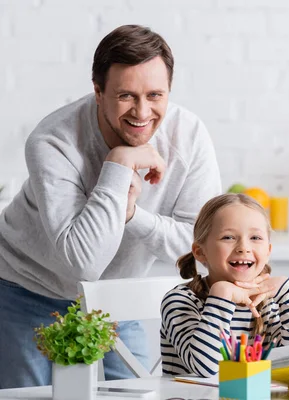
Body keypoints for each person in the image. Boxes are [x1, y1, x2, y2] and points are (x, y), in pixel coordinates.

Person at [0, 25, 221, 388]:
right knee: (30, 397)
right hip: (28, 289)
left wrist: (132, 214)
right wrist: (118, 164)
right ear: (98, 92)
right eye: (126, 96)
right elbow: (82, 262)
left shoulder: (189, 137)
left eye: (155, 95)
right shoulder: (52, 141)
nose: (142, 111)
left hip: (119, 295)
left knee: (139, 395)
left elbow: (200, 246)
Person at [160, 193, 289, 377]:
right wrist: (222, 295)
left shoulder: (270, 304)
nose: (244, 247)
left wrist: (288, 290)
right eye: (228, 237)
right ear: (200, 252)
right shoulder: (180, 301)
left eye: (255, 238)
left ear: (268, 251)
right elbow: (207, 370)